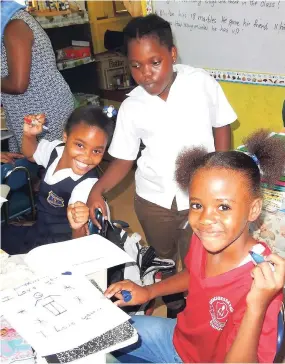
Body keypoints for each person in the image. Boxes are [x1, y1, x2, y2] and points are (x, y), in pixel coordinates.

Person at [87, 14, 237, 317]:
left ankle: (196, 308)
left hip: (200, 197)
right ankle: (174, 305)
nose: (146, 74)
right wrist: (97, 189)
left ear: (172, 54)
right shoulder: (132, 106)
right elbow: (125, 158)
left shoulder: (200, 83)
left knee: (200, 258)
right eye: (136, 66)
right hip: (153, 200)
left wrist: (222, 171)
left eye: (155, 62)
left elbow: (222, 126)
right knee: (163, 259)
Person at [104, 129, 285, 363]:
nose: (205, 220)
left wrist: (257, 305)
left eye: (223, 207)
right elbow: (194, 275)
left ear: (252, 210)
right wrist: (148, 291)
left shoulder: (262, 282)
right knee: (99, 332)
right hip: (178, 342)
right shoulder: (204, 237)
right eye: (197, 205)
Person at [1, 106, 114, 255]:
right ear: (65, 137)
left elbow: (80, 244)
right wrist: (29, 135)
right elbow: (31, 154)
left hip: (59, 247)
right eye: (80, 145)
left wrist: (77, 226)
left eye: (97, 151)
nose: (87, 157)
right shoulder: (56, 150)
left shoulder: (86, 185)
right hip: (38, 231)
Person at [1, 0, 74, 153]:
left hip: (44, 114)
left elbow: (18, 84)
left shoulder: (14, 26)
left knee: (52, 166)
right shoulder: (7, 23)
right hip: (26, 113)